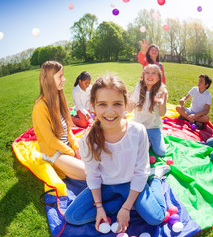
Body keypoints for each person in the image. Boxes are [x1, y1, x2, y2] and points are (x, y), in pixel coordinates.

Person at [64, 76, 170, 233]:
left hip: (132, 182)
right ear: (93, 106)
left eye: (117, 104)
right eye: (102, 104)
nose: (110, 111)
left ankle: (155, 177)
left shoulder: (138, 131)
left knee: (156, 217)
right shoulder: (87, 139)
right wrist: (99, 208)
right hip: (105, 185)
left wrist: (126, 208)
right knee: (73, 216)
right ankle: (122, 202)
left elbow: (140, 172)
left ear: (126, 105)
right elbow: (93, 175)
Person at [32, 61, 86, 180]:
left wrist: (75, 146)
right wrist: (71, 153)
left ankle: (70, 167)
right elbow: (50, 140)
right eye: (60, 76)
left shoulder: (59, 97)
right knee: (88, 173)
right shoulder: (40, 106)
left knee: (96, 152)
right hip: (54, 152)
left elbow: (67, 128)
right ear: (49, 80)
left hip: (66, 146)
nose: (64, 79)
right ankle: (62, 166)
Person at [128, 64, 168, 157]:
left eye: (153, 73)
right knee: (134, 151)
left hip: (153, 127)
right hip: (139, 127)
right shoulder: (139, 88)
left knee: (161, 153)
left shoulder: (161, 91)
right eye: (147, 73)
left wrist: (163, 100)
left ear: (158, 77)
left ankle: (151, 140)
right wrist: (127, 100)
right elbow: (130, 109)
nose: (150, 75)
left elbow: (162, 113)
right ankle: (147, 142)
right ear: (143, 76)